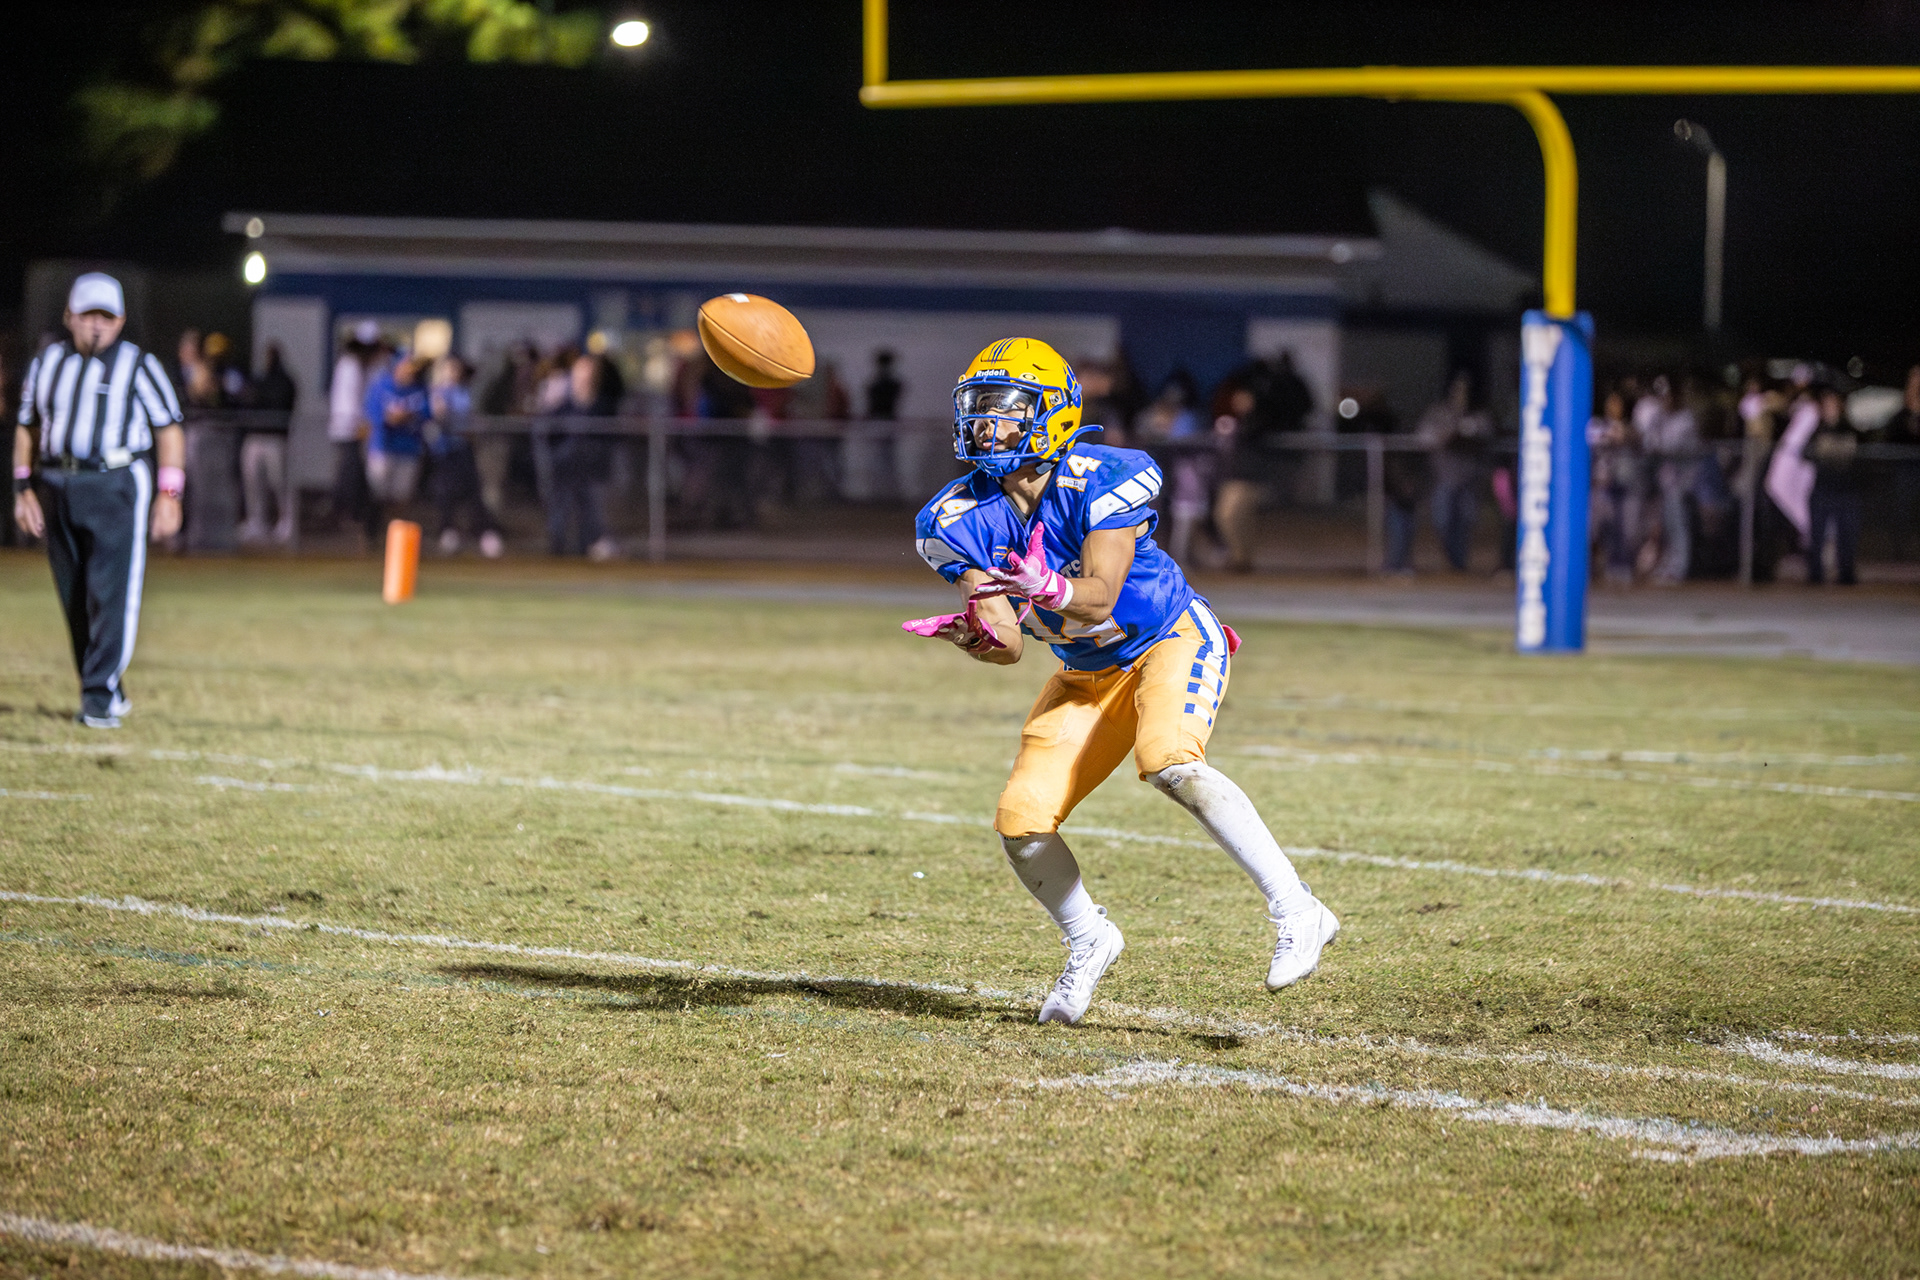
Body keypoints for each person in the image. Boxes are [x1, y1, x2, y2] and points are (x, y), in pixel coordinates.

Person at [904, 338, 1339, 1026]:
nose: (985, 424)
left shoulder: (1101, 476)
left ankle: (1297, 907)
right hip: (1086, 673)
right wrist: (975, 637)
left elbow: (1100, 595)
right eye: (978, 408)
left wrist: (1047, 586)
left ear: (1050, 414)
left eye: (1004, 407)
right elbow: (1009, 644)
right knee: (1021, 822)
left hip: (1168, 638)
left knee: (1170, 760)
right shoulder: (958, 518)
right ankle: (1089, 938)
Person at [12, 273, 185, 728]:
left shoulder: (138, 365)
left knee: (110, 594)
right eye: (88, 314)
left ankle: (97, 696)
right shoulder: (48, 362)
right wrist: (22, 488)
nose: (96, 325)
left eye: (106, 316)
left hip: (116, 481)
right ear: (69, 316)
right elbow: (28, 426)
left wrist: (170, 494)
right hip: (58, 481)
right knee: (73, 596)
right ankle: (106, 685)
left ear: (121, 321)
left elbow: (169, 429)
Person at [1214, 351, 1313, 572]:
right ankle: (1241, 558)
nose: (1237, 400)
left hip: (1255, 474)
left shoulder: (1263, 418)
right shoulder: (1245, 419)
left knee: (1230, 513)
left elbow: (1294, 413)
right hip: (1241, 472)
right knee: (1232, 515)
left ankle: (1241, 558)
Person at [541, 351, 621, 558]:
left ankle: (587, 546)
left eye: (589, 370)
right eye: (580, 369)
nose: (584, 374)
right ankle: (557, 550)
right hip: (565, 466)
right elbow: (548, 432)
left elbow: (609, 435)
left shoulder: (602, 403)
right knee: (560, 508)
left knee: (590, 509)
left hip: (590, 467)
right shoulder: (562, 403)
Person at [425, 356, 503, 558]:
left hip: (463, 449)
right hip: (444, 451)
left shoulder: (462, 392)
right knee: (445, 493)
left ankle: (484, 533)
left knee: (474, 492)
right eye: (449, 369)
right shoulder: (437, 392)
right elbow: (440, 417)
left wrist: (472, 426)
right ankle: (448, 531)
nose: (453, 374)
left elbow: (469, 419)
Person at [1416, 371, 1491, 572]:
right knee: (1442, 520)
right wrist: (1450, 434)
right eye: (1458, 389)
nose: (1461, 394)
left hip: (1469, 477)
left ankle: (1459, 563)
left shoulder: (1477, 415)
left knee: (1466, 520)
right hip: (1444, 477)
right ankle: (1450, 557)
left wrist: (1468, 437)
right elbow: (1424, 439)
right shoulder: (1438, 413)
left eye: (1465, 390)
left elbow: (1486, 435)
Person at [1801, 386, 1864, 585]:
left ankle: (1846, 574)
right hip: (1822, 489)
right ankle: (1815, 574)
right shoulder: (1816, 430)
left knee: (1847, 535)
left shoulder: (1850, 429)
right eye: (1826, 405)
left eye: (1833, 404)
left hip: (1846, 490)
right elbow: (1805, 453)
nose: (1829, 408)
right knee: (1817, 534)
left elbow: (1859, 457)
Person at [362, 352, 429, 534]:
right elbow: (372, 413)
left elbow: (427, 413)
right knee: (377, 493)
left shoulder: (419, 388)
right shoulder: (382, 386)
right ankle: (373, 534)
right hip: (383, 447)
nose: (409, 371)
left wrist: (409, 416)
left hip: (409, 449)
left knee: (401, 496)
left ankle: (395, 534)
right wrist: (390, 418)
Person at [328, 323, 383, 542]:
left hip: (360, 431)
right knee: (350, 473)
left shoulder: (366, 366)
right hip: (348, 430)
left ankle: (357, 518)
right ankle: (344, 513)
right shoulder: (349, 365)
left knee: (360, 477)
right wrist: (362, 424)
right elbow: (349, 401)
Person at [1642, 376, 1700, 584]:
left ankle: (1679, 568)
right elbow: (1649, 444)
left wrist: (1656, 442)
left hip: (1685, 481)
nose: (1664, 400)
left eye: (1667, 396)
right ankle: (1668, 565)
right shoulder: (1660, 418)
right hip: (1667, 481)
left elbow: (1671, 447)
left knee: (1678, 526)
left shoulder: (1685, 419)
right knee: (1666, 525)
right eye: (1661, 396)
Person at [238, 342, 296, 546]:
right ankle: (257, 521)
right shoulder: (258, 379)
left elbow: (279, 401)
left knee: (278, 483)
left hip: (274, 437)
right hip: (255, 436)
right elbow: (246, 401)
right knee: (253, 482)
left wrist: (258, 397)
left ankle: (286, 521)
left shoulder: (284, 381)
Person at [1587, 390, 1642, 584]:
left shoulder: (1629, 428)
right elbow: (1592, 437)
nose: (1614, 408)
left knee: (1624, 530)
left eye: (1618, 404)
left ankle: (1619, 565)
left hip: (1622, 487)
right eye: (1611, 403)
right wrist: (1608, 435)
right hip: (1599, 486)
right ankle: (1590, 567)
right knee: (1594, 528)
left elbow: (1634, 439)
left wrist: (1622, 434)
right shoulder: (1596, 424)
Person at [1880, 364, 1920, 560]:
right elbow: (1890, 439)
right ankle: (1900, 551)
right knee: (1902, 511)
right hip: (1905, 470)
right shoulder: (1900, 416)